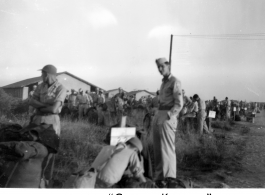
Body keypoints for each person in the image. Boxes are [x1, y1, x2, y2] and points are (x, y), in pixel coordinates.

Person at [29, 64, 67, 187]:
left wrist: (40, 106)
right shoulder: (40, 86)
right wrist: (47, 107)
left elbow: (55, 109)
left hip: (51, 122)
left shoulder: (61, 88)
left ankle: (45, 179)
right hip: (37, 121)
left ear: (48, 74)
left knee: (49, 151)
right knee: (34, 149)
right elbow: (31, 101)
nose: (41, 76)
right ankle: (35, 178)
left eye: (43, 74)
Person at [152, 58, 183, 188]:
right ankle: (159, 178)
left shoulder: (174, 81)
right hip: (159, 115)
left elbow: (179, 103)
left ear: (168, 66)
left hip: (167, 117)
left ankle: (169, 179)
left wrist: (171, 114)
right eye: (158, 67)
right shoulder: (163, 83)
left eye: (162, 66)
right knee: (158, 149)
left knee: (167, 149)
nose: (160, 69)